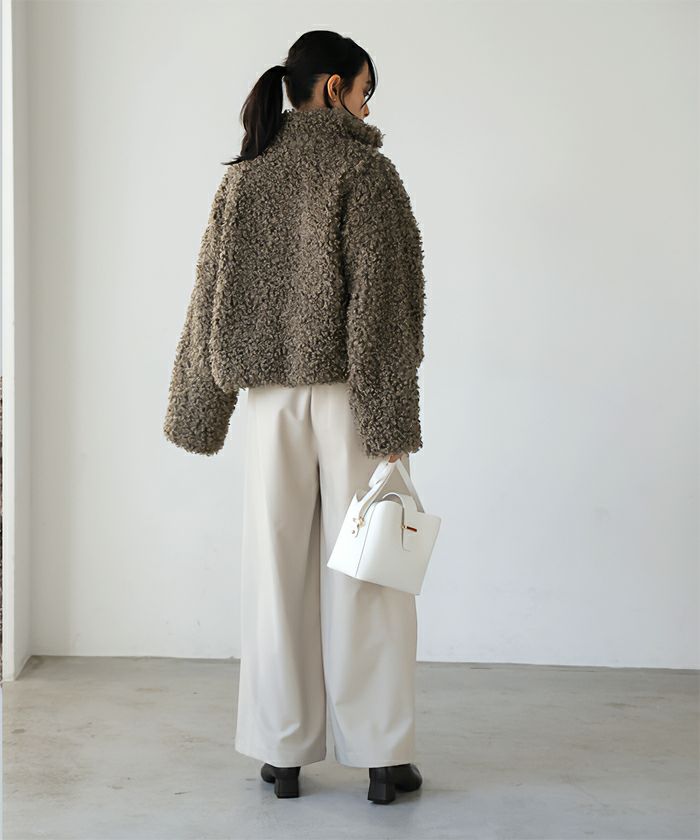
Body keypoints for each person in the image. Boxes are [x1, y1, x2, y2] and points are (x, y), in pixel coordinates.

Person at [163, 30, 426, 805]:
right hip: (351, 395)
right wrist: (391, 420)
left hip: (269, 403)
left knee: (274, 572)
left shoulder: (245, 175)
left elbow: (208, 297)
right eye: (365, 91)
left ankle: (282, 754)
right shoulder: (365, 172)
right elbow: (381, 307)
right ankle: (381, 757)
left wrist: (199, 407)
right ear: (333, 87)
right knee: (371, 569)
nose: (368, 109)